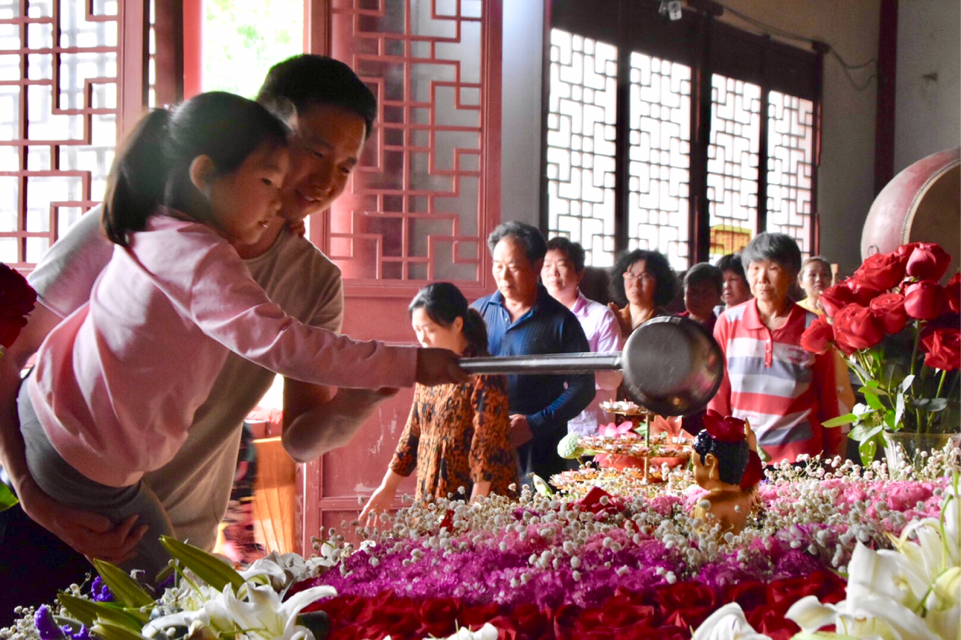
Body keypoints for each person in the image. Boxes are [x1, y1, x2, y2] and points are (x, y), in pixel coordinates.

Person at [0, 55, 444, 610]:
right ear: (262, 133)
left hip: (171, 532)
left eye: (347, 166)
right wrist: (33, 493)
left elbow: (304, 439)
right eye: (316, 152)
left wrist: (363, 396)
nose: (328, 180)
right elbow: (9, 348)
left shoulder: (313, 282)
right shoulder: (140, 221)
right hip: (55, 508)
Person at [360, 283, 517, 523]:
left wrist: (476, 507)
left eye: (429, 329)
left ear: (457, 324)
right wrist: (387, 486)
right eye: (417, 330)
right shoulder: (431, 371)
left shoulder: (484, 372)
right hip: (432, 488)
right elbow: (413, 431)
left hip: (477, 494)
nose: (422, 339)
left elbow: (488, 443)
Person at [471, 222, 594, 485]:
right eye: (497, 266)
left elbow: (583, 387)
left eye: (513, 267)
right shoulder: (477, 314)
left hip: (539, 447)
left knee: (533, 521)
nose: (503, 277)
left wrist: (534, 423)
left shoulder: (561, 321)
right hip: (480, 443)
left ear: (537, 266)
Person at [708, 233, 843, 464]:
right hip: (744, 454)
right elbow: (719, 394)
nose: (761, 278)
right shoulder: (728, 322)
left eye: (772, 268)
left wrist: (833, 457)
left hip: (802, 456)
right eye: (754, 268)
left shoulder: (815, 326)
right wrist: (719, 449)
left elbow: (828, 397)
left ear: (792, 274)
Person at [541, 237, 623, 436]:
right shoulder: (535, 318)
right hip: (544, 427)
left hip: (589, 430)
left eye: (561, 265)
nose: (553, 272)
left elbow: (613, 377)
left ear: (579, 274)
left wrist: (567, 372)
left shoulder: (601, 316)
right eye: (546, 265)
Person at [797, 256, 856, 416]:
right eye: (812, 275)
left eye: (824, 275)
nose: (819, 279)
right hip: (805, 389)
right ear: (801, 281)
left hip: (838, 387)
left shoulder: (843, 309)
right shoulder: (795, 312)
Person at [607, 249, 676, 338]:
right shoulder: (615, 317)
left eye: (645, 276)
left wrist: (624, 333)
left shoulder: (666, 324)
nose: (636, 283)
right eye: (631, 275)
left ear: (659, 282)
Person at [677, 262, 723, 334]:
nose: (697, 298)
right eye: (693, 291)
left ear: (718, 297)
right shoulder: (674, 323)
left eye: (705, 293)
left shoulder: (720, 329)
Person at [714, 252, 753, 317]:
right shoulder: (714, 315)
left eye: (733, 279)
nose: (726, 286)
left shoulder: (755, 316)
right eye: (722, 281)